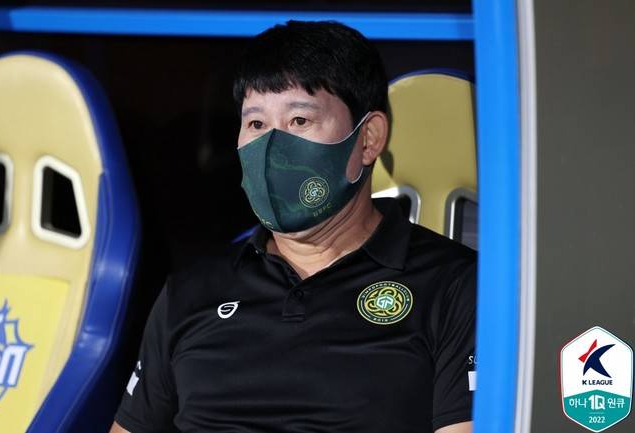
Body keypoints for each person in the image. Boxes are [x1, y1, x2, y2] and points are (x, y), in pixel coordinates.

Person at [111, 20, 476, 433]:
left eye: (299, 120)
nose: (271, 148)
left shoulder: (453, 286)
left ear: (369, 138)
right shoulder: (190, 290)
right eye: (256, 124)